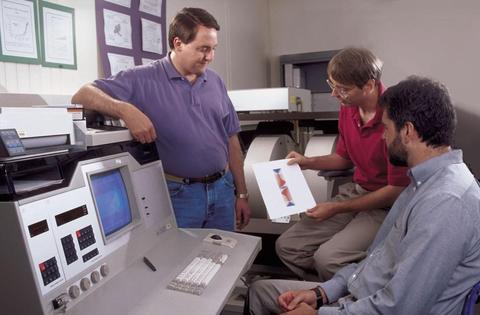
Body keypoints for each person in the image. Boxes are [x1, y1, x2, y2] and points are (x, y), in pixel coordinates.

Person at [246, 76, 480, 315]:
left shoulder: (446, 203)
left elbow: (400, 308)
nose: (383, 137)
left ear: (407, 131)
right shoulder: (421, 183)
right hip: (361, 297)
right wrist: (321, 293)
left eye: (386, 128)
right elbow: (374, 261)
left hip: (376, 308)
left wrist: (319, 314)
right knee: (261, 292)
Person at [71, 7, 250, 231]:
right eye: (203, 49)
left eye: (213, 49)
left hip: (223, 190)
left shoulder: (216, 82)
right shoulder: (142, 78)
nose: (210, 57)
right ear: (178, 43)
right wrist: (126, 110)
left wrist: (241, 193)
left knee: (226, 259)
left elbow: (231, 139)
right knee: (181, 263)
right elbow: (82, 95)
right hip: (178, 196)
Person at [276, 47, 409, 281]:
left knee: (329, 259)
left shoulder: (394, 118)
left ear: (368, 85)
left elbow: (395, 190)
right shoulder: (348, 108)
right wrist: (306, 162)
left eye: (343, 89)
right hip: (357, 193)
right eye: (332, 85)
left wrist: (336, 208)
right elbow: (344, 157)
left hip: (386, 205)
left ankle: (355, 299)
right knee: (288, 246)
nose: (334, 94)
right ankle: (329, 293)